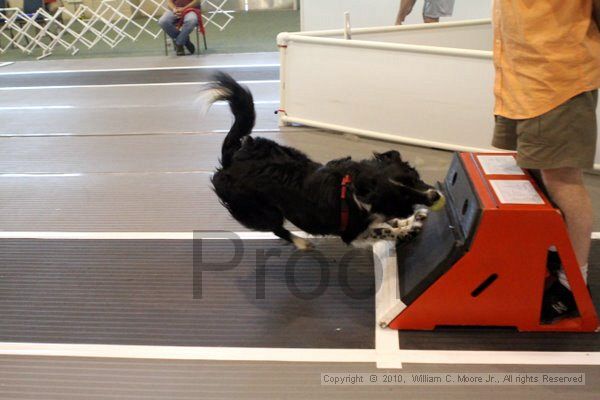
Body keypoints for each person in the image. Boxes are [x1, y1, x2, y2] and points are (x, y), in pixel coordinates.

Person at [492, 1, 600, 323]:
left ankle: (572, 287)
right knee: (535, 168)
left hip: (558, 79)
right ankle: (556, 250)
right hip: (518, 76)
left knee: (563, 180)